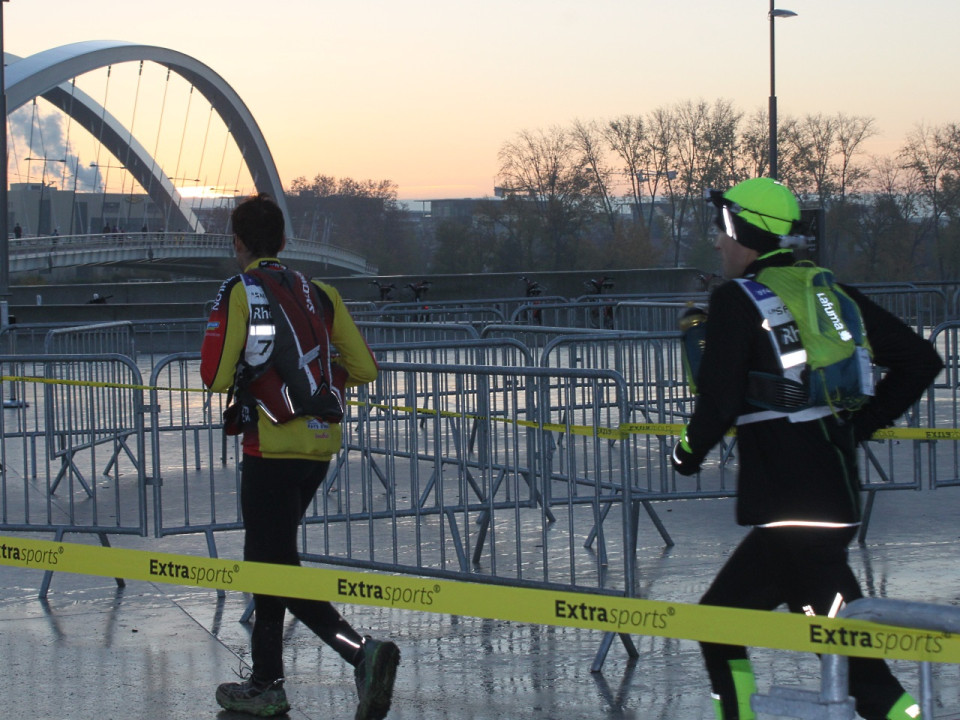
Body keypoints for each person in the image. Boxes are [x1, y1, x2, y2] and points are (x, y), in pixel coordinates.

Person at [670, 177, 943, 720]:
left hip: (793, 508)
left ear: (744, 229)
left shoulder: (736, 300)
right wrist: (854, 427)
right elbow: (920, 360)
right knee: (718, 622)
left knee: (858, 668)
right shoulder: (825, 290)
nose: (718, 242)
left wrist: (686, 454)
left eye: (723, 229)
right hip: (817, 500)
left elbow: (718, 404)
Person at [200, 193, 399, 719]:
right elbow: (366, 368)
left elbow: (216, 376)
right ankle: (268, 681)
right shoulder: (321, 292)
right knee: (274, 560)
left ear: (237, 244)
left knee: (272, 565)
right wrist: (319, 380)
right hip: (318, 445)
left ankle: (359, 653)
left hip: (269, 443)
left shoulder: (241, 292)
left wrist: (252, 372)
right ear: (285, 241)